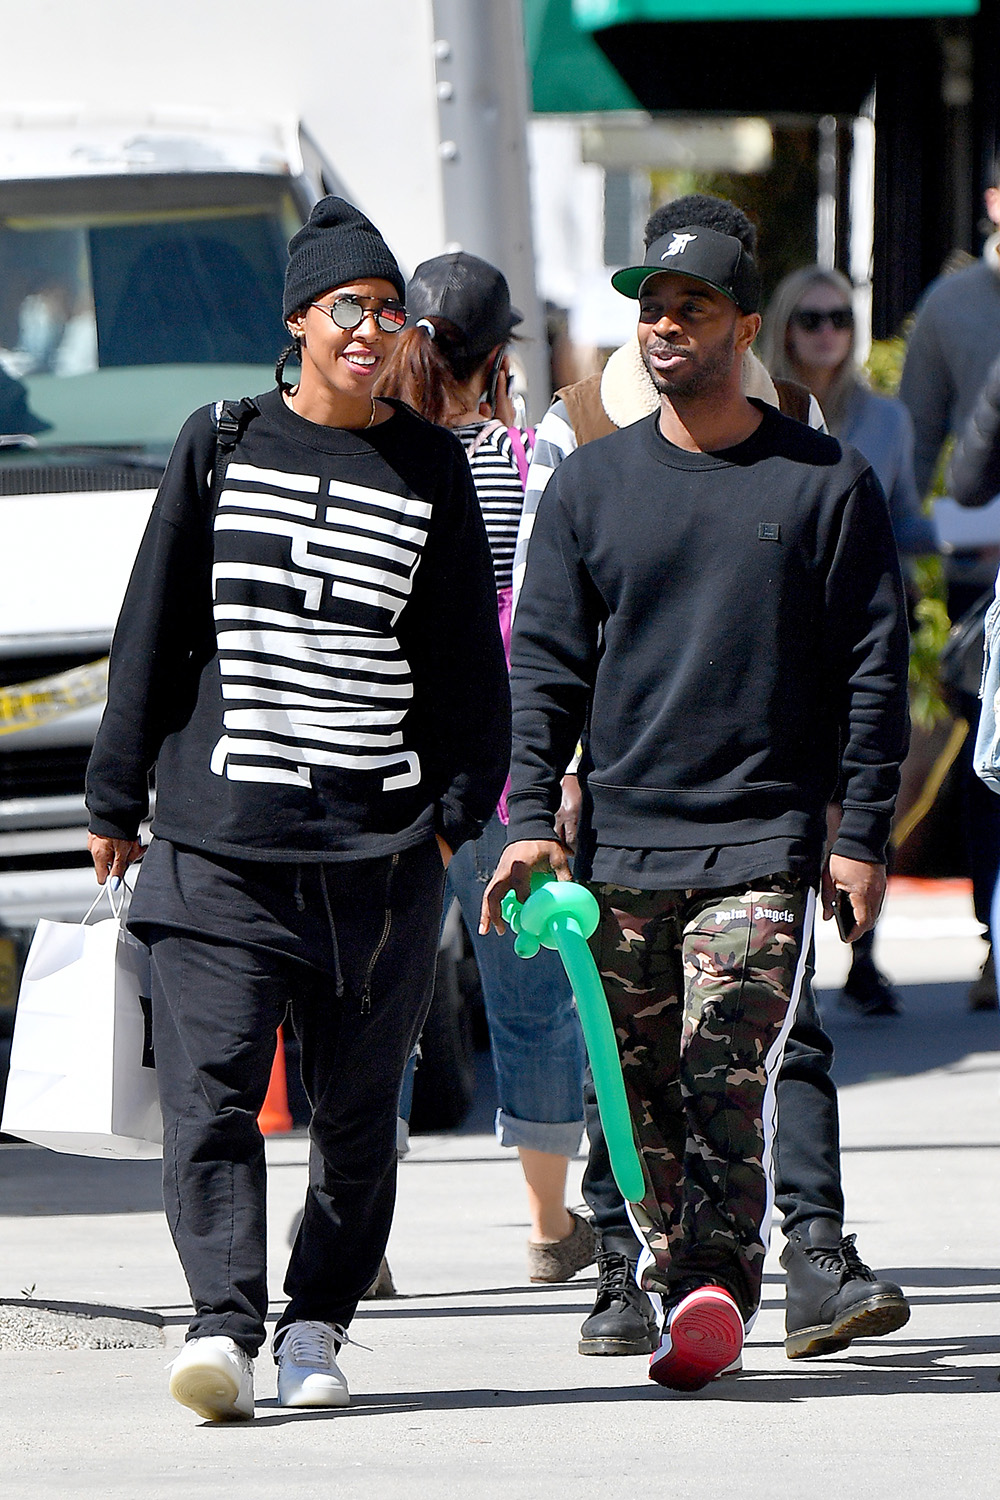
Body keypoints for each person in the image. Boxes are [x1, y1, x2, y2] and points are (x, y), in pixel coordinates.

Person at [85, 197, 510, 1421]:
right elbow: (153, 628)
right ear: (298, 322)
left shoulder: (430, 465)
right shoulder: (218, 442)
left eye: (389, 311)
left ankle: (316, 1324)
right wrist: (117, 792)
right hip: (219, 845)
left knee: (357, 1119)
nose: (372, 331)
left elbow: (463, 671)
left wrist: (448, 816)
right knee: (212, 1100)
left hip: (377, 859)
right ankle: (223, 1324)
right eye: (348, 309)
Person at [482, 224, 911, 1391]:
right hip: (620, 841)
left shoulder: (825, 483)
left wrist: (860, 834)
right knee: (638, 1086)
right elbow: (546, 670)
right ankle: (685, 1288)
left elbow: (876, 672)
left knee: (725, 1057)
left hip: (762, 839)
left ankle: (719, 1278)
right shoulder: (591, 490)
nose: (666, 324)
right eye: (652, 305)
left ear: (744, 328)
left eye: (692, 306)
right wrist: (531, 820)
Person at [376, 251, 593, 1282]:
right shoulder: (514, 461)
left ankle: (352, 1236)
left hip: (383, 775)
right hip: (504, 778)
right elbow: (548, 625)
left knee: (377, 1002)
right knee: (532, 998)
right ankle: (552, 1232)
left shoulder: (367, 458)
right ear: (498, 356)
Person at [759, 264, 938, 1019]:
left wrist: (965, 536)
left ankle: (863, 954)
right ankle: (786, 958)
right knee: (799, 794)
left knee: (867, 784)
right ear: (783, 327)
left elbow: (906, 518)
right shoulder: (760, 409)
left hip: (865, 625)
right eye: (811, 319)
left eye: (839, 318)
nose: (827, 332)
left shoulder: (887, 420)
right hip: (781, 625)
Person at [899, 164, 1000, 1011]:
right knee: (990, 762)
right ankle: (990, 942)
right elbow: (917, 453)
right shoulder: (951, 308)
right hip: (982, 577)